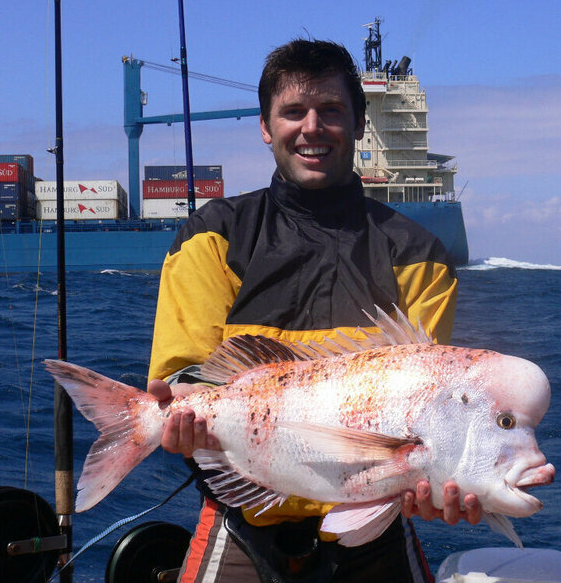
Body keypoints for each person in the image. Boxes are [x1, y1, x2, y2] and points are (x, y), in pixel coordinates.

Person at [147, 38, 481, 583]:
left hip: (375, 524)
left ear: (358, 123)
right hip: (244, 518)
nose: (311, 128)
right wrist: (173, 414)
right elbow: (185, 377)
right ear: (264, 126)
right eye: (292, 112)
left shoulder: (418, 256)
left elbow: (428, 417)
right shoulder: (213, 236)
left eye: (330, 111)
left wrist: (444, 481)